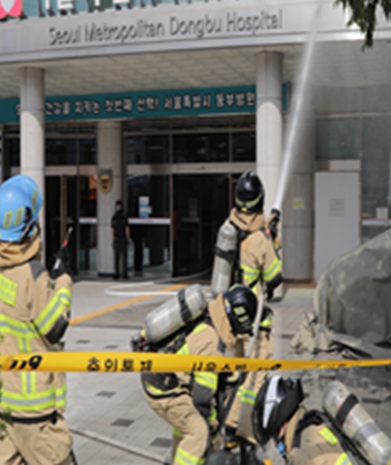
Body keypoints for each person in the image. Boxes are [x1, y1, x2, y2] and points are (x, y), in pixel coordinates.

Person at [0, 174, 76, 465]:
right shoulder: (34, 276)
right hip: (34, 409)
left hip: (3, 401)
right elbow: (54, 328)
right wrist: (62, 281)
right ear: (29, 227)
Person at [141, 284, 258, 465]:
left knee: (187, 424)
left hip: (158, 376)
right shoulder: (211, 343)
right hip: (164, 388)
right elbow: (203, 396)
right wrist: (212, 428)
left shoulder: (210, 314)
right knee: (198, 434)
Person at [224, 170, 283, 446]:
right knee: (255, 377)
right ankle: (242, 431)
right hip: (254, 324)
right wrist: (273, 242)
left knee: (236, 373)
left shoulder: (228, 229)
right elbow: (274, 278)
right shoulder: (260, 240)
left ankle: (227, 424)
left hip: (231, 319)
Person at [252, 377, 351, 465]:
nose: (275, 445)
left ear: (282, 425)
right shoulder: (317, 425)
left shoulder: (300, 455)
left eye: (275, 436)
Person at [110, 199, 130, 279]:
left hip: (118, 238)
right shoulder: (124, 217)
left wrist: (113, 239)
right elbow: (127, 228)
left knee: (117, 257)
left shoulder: (114, 217)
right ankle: (124, 273)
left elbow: (112, 229)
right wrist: (128, 238)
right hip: (122, 238)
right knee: (124, 257)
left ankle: (117, 273)